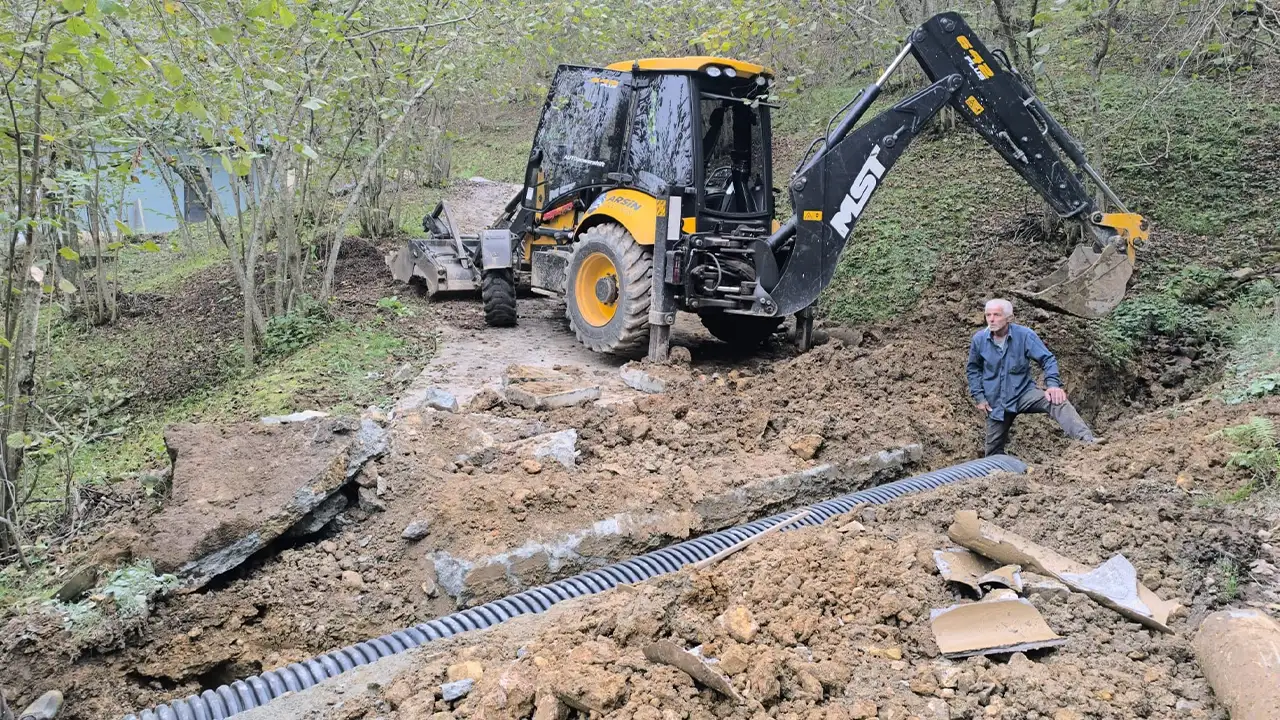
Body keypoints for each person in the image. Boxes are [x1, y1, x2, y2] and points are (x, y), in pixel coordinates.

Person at [966, 298, 1096, 456]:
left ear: (1009, 318)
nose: (991, 319)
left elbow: (1047, 359)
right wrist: (979, 397)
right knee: (992, 453)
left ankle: (1087, 441)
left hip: (1023, 393)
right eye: (988, 315)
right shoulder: (979, 340)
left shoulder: (1025, 335)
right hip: (996, 402)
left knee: (1057, 401)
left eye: (997, 315)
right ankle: (1000, 474)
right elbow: (973, 369)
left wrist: (1053, 385)